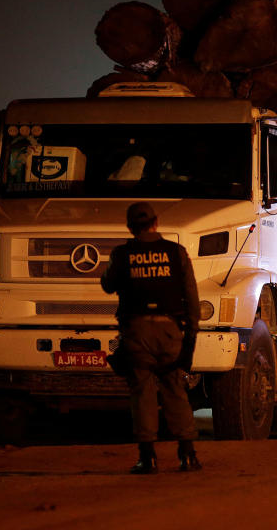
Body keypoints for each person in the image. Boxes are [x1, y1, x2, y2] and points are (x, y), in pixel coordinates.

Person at [101, 202, 202, 473]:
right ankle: (188, 454)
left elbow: (107, 285)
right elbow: (192, 297)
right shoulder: (176, 252)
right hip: (170, 330)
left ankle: (148, 457)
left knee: (142, 391)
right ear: (156, 223)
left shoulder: (123, 254)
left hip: (137, 331)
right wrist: (191, 334)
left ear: (130, 227)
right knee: (174, 388)